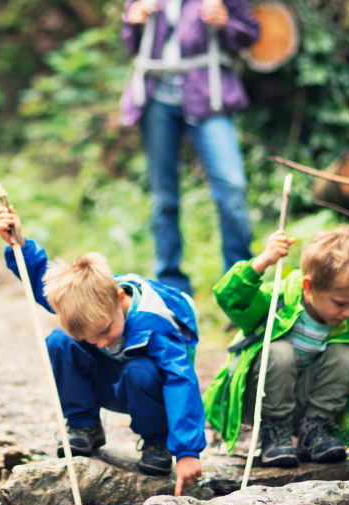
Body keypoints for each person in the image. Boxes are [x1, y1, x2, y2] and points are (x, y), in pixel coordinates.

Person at [0, 204, 205, 487]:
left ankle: (156, 443)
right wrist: (19, 244)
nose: (100, 342)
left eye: (106, 330)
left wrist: (187, 451)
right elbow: (43, 281)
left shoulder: (155, 326)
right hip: (106, 383)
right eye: (89, 338)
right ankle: (84, 426)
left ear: (120, 298)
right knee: (59, 340)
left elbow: (181, 381)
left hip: (147, 392)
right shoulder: (87, 303)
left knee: (140, 370)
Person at [204, 226, 349, 467]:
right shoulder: (278, 301)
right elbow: (230, 298)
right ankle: (275, 434)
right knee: (280, 352)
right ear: (308, 286)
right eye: (339, 303)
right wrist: (262, 262)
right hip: (264, 399)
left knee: (347, 354)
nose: (348, 312)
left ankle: (315, 430)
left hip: (308, 403)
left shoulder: (346, 325)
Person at [121, 0, 261, 296]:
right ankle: (172, 289)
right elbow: (130, 44)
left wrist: (224, 21)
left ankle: (239, 289)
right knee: (164, 199)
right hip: (157, 101)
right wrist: (135, 20)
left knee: (232, 187)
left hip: (207, 96)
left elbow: (249, 33)